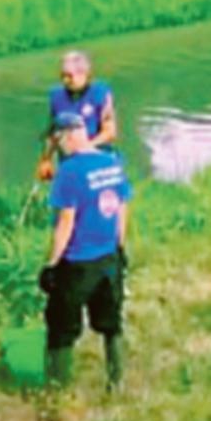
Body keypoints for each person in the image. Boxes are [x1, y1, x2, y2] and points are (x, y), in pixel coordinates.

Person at [39, 112, 132, 389]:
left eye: (57, 142)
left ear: (65, 136)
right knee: (111, 323)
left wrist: (52, 265)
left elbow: (65, 224)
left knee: (61, 326)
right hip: (109, 258)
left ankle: (58, 388)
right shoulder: (113, 162)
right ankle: (116, 382)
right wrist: (119, 247)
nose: (57, 148)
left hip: (77, 262)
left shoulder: (69, 172)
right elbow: (121, 209)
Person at [36, 50, 118, 182]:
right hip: (68, 163)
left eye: (70, 76)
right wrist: (46, 159)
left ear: (85, 74)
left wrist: (85, 147)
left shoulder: (101, 93)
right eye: (62, 76)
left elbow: (110, 132)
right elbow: (52, 131)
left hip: (98, 160)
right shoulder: (56, 96)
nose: (65, 80)